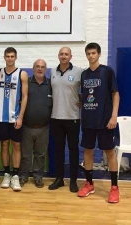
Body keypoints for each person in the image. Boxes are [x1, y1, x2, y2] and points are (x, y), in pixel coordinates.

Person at [78, 42, 120, 203]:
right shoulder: (84, 75)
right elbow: (88, 94)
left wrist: (114, 116)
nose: (91, 56)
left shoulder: (107, 72)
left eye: (93, 53)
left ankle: (114, 187)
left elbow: (115, 94)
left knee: (109, 152)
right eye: (88, 53)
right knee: (88, 151)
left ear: (99, 54)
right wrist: (81, 103)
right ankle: (89, 184)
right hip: (88, 120)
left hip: (105, 120)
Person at [48, 47, 83, 193]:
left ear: (70, 56)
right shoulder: (52, 71)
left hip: (73, 117)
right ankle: (59, 179)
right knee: (58, 150)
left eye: (66, 54)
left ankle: (73, 181)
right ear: (58, 56)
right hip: (56, 117)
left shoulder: (78, 71)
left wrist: (83, 100)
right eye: (61, 54)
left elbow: (87, 90)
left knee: (74, 150)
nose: (63, 56)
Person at [0, 47, 28, 191]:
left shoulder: (22, 74)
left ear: (16, 58)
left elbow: (25, 97)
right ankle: (6, 173)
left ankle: (15, 176)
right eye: (7, 56)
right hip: (1, 118)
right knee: (4, 145)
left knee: (16, 146)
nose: (10, 58)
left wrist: (21, 116)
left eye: (12, 56)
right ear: (4, 57)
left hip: (15, 117)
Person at [19, 59, 52, 188]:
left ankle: (38, 177)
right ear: (33, 68)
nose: (40, 69)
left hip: (44, 128)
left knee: (40, 154)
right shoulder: (26, 83)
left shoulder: (50, 84)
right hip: (27, 127)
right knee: (26, 155)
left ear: (45, 69)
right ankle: (23, 176)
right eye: (37, 66)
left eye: (42, 67)